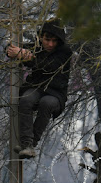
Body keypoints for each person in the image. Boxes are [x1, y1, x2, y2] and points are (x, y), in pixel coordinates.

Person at [6, 19, 73, 159]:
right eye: (47, 39)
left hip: (55, 93)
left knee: (46, 103)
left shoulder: (65, 52)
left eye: (54, 41)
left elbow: (46, 65)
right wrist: (11, 50)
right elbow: (14, 48)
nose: (50, 44)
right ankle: (26, 144)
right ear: (41, 37)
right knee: (25, 100)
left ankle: (32, 144)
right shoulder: (37, 47)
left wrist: (25, 56)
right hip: (36, 87)